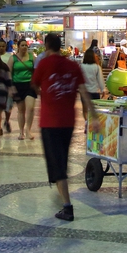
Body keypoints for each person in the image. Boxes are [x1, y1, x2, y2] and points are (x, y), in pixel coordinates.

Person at [31, 32, 97, 221]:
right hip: (68, 122)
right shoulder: (73, 65)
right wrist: (93, 116)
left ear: (46, 46)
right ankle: (59, 183)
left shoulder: (43, 64)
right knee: (61, 159)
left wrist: (45, 91)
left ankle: (67, 206)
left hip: (50, 122)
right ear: (61, 46)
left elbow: (33, 86)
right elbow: (84, 92)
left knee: (57, 164)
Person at [8, 39, 37, 140]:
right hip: (17, 85)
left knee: (31, 108)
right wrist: (11, 87)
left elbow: (36, 70)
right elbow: (9, 73)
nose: (24, 47)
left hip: (29, 85)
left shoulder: (31, 57)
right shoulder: (13, 58)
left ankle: (28, 129)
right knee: (21, 110)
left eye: (26, 45)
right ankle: (21, 132)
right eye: (22, 45)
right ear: (18, 46)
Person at [0, 39, 14, 133]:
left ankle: (7, 121)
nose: (1, 48)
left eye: (3, 46)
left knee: (8, 107)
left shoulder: (9, 57)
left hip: (7, 86)